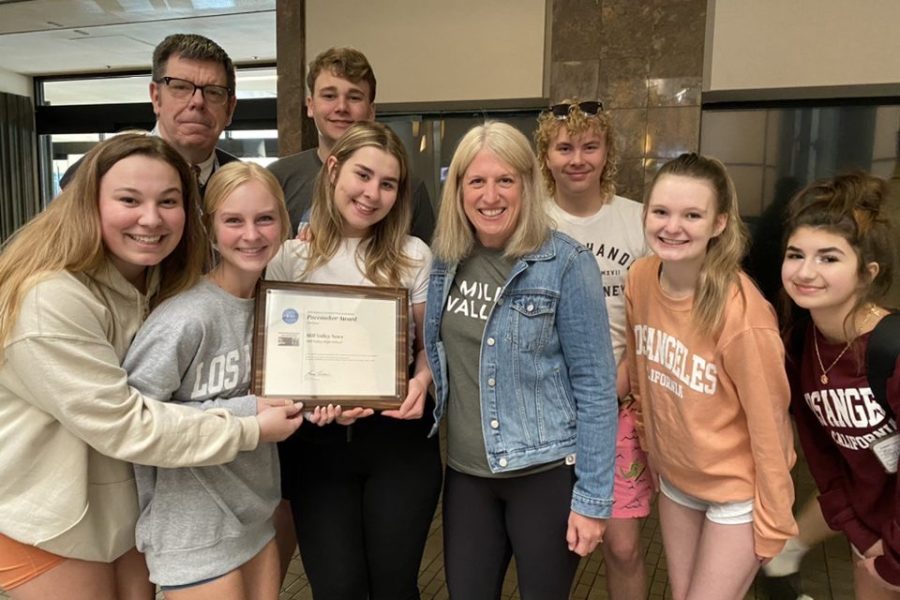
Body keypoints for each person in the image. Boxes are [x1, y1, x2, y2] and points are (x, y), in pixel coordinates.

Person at [0, 133, 302, 600]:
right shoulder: (50, 299)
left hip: (122, 512)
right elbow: (127, 423)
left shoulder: (157, 279)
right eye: (129, 199)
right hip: (46, 519)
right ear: (88, 203)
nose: (151, 218)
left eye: (167, 201)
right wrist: (251, 425)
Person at [425, 121, 618, 600]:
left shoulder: (567, 263)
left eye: (505, 180)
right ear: (459, 190)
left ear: (527, 185)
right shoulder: (445, 259)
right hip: (468, 475)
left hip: (546, 474)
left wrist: (593, 500)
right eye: (477, 181)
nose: (491, 195)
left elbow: (595, 385)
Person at [121, 162, 330, 598]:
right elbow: (133, 421)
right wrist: (249, 413)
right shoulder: (185, 316)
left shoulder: (277, 310)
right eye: (234, 220)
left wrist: (320, 404)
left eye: (265, 219)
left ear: (284, 225)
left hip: (255, 517)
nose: (251, 235)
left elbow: (280, 396)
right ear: (210, 228)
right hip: (192, 529)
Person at [266, 121, 442, 599]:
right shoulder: (288, 259)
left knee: (395, 587)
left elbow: (428, 348)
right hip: (316, 445)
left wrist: (422, 381)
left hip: (397, 442)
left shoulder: (412, 255)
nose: (372, 194)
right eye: (363, 175)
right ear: (333, 168)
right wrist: (303, 403)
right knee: (337, 588)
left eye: (388, 184)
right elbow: (275, 358)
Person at [625, 153, 797, 599]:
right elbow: (643, 374)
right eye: (661, 211)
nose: (672, 227)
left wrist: (775, 522)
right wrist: (651, 447)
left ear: (719, 223)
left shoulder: (742, 313)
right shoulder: (641, 279)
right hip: (678, 482)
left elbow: (771, 424)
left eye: (692, 215)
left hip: (736, 494)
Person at [535, 99, 652, 599]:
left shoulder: (639, 221)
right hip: (545, 406)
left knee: (622, 546)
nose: (577, 158)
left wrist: (618, 380)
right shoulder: (530, 219)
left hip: (619, 403)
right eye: (564, 148)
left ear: (608, 153)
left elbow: (657, 314)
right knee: (547, 541)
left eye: (590, 146)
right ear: (546, 157)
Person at [780, 172, 899, 598]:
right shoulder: (800, 344)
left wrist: (894, 556)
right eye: (796, 255)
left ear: (867, 273)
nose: (805, 272)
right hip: (873, 531)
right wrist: (859, 531)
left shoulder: (891, 348)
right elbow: (825, 461)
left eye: (828, 258)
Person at [267, 47, 435, 240]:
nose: (341, 107)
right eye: (329, 96)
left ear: (371, 111)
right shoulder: (277, 178)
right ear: (311, 105)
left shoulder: (409, 188)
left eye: (354, 98)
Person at [61, 33, 240, 195]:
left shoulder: (243, 185)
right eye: (180, 87)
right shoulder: (95, 172)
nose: (198, 102)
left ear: (230, 108)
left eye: (213, 92)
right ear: (156, 97)